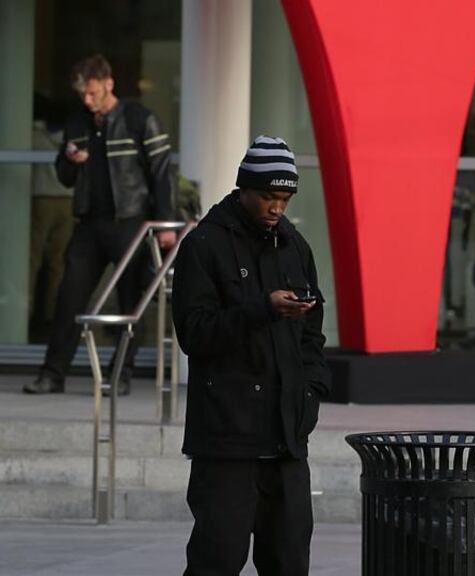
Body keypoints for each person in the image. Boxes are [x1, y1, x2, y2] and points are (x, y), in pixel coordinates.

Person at [172, 135, 330, 576]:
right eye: (267, 196)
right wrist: (262, 308)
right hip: (227, 439)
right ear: (244, 188)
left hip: (285, 438)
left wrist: (311, 393)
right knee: (216, 560)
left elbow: (312, 335)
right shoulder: (204, 244)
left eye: (284, 198)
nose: (276, 207)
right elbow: (194, 333)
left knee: (290, 561)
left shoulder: (295, 245)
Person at [24, 54, 176, 395]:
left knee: (128, 302)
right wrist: (69, 158)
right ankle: (52, 374)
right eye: (82, 95)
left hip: (131, 223)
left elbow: (163, 174)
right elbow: (64, 178)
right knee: (68, 298)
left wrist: (166, 224)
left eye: (92, 93)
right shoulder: (78, 123)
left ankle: (119, 375)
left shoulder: (140, 119)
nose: (87, 100)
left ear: (109, 83)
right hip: (90, 223)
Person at [28, 93, 72, 339]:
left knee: (32, 260)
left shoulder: (34, 135)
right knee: (57, 263)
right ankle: (50, 314)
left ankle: (27, 312)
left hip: (41, 199)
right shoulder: (70, 136)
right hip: (66, 200)